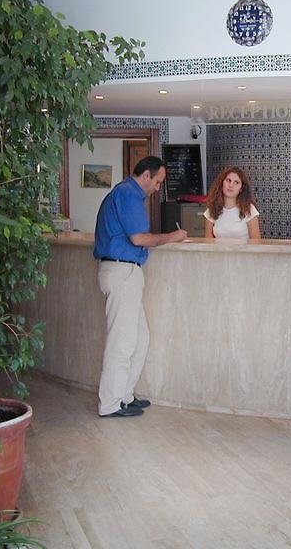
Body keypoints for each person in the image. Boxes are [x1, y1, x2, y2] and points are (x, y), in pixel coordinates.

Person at [93, 156, 188, 417]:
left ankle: (124, 395)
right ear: (146, 175)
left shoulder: (125, 193)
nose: (158, 188)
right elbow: (138, 239)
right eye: (158, 182)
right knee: (122, 342)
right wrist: (173, 236)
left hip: (124, 272)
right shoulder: (128, 194)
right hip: (121, 271)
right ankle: (110, 404)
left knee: (140, 339)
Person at [204, 166, 261, 240]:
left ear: (241, 188)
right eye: (228, 180)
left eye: (236, 182)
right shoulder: (212, 209)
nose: (231, 185)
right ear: (222, 183)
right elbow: (209, 241)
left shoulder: (249, 209)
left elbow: (256, 242)